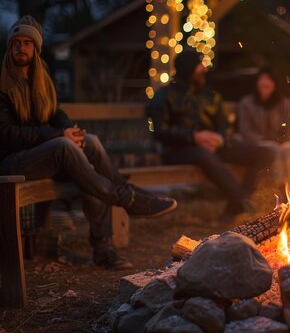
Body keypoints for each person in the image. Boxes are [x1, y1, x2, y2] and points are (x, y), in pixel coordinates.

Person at [0, 16, 177, 270]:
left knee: (89, 142)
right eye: (16, 42)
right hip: (12, 162)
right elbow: (6, 134)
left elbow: (55, 113)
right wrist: (58, 137)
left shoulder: (41, 76)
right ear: (10, 46)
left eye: (27, 42)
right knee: (65, 148)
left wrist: (68, 129)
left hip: (41, 155)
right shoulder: (2, 82)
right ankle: (127, 199)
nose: (21, 47)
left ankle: (104, 248)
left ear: (35, 48)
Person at [149, 51, 275, 216]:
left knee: (265, 153)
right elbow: (160, 131)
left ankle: (237, 204)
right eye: (199, 65)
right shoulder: (164, 96)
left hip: (213, 148)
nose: (204, 69)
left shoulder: (210, 96)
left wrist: (220, 139)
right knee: (203, 154)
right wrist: (193, 136)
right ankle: (244, 202)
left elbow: (224, 124)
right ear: (188, 68)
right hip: (178, 150)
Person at [238, 67, 290, 186]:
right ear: (257, 83)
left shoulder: (285, 103)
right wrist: (262, 142)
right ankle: (278, 188)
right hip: (256, 144)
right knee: (272, 149)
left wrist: (286, 141)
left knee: (289, 150)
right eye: (262, 79)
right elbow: (245, 130)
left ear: (274, 84)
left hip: (280, 143)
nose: (265, 83)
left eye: (269, 79)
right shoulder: (247, 103)